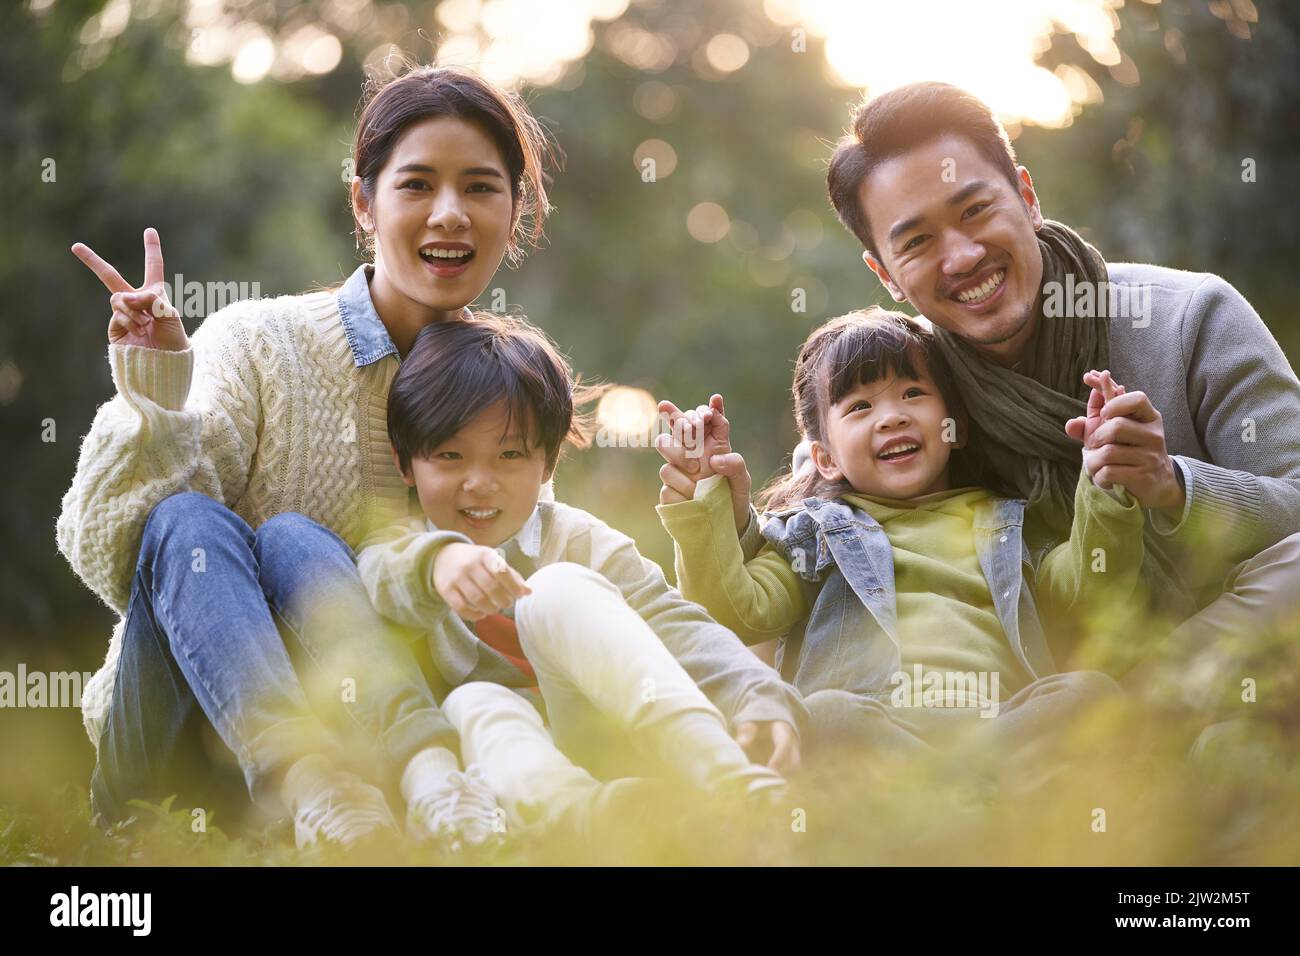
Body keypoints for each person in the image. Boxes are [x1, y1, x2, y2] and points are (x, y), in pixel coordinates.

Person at [661, 82, 1300, 742]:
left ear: (1026, 196)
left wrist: (1171, 487)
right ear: (885, 273)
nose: (962, 257)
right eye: (916, 242)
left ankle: (1121, 737)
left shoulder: (1190, 319)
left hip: (1192, 658)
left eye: (974, 210)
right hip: (1020, 706)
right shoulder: (903, 390)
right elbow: (787, 570)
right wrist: (719, 508)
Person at [57, 63, 556, 848]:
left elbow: (540, 578)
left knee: (300, 542)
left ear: (517, 210)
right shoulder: (259, 342)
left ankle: (382, 791)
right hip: (182, 748)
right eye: (417, 185)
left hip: (383, 763)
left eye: (482, 188)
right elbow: (115, 551)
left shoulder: (504, 385)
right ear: (364, 202)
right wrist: (156, 393)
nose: (450, 214)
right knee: (191, 517)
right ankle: (307, 781)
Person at [354, 315, 805, 837]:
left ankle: (729, 781)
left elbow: (676, 624)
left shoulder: (580, 540)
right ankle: (601, 823)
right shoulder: (400, 546)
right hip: (510, 767)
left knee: (558, 588)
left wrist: (759, 696)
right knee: (471, 701)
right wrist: (437, 561)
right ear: (406, 463)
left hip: (607, 731)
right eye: (451, 456)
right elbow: (378, 578)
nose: (480, 483)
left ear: (546, 464)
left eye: (509, 456)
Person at [656, 308, 1139, 789]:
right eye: (860, 407)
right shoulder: (814, 534)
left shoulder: (1010, 522)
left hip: (998, 731)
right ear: (825, 458)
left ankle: (955, 806)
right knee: (824, 715)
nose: (892, 417)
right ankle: (970, 807)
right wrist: (707, 499)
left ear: (957, 427)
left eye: (913, 393)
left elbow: (1087, 594)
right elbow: (736, 613)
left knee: (1092, 695)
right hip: (879, 732)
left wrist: (1105, 480)